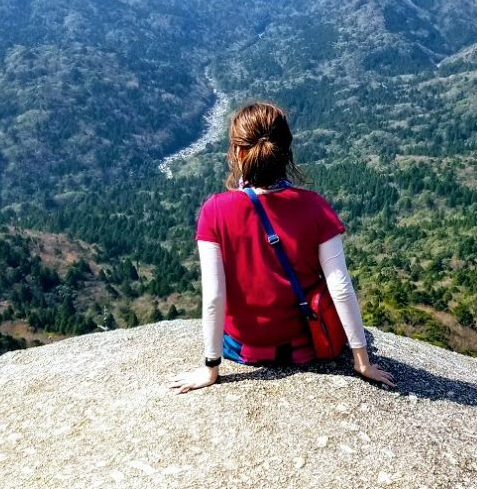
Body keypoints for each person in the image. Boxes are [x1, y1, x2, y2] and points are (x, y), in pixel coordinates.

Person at [169, 101, 395, 393]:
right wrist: (362, 361)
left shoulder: (215, 210)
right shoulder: (315, 207)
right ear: (286, 151)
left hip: (242, 347)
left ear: (238, 152)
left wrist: (210, 368)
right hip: (303, 346)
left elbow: (214, 296)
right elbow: (340, 286)